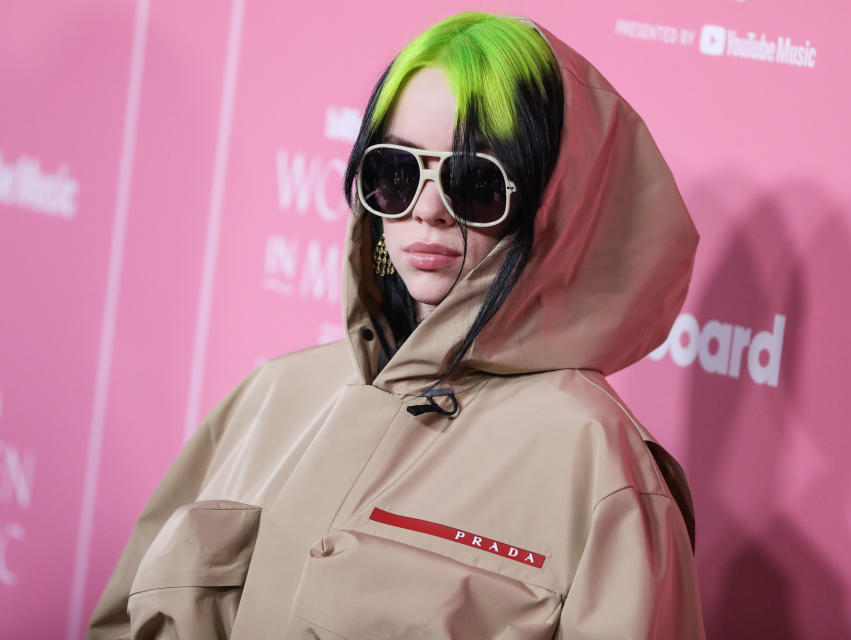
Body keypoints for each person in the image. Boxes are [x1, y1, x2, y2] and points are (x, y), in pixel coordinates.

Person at [87, 11, 704, 639]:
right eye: (397, 173)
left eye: (476, 182)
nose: (428, 211)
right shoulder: (268, 398)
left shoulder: (598, 467)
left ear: (555, 207)